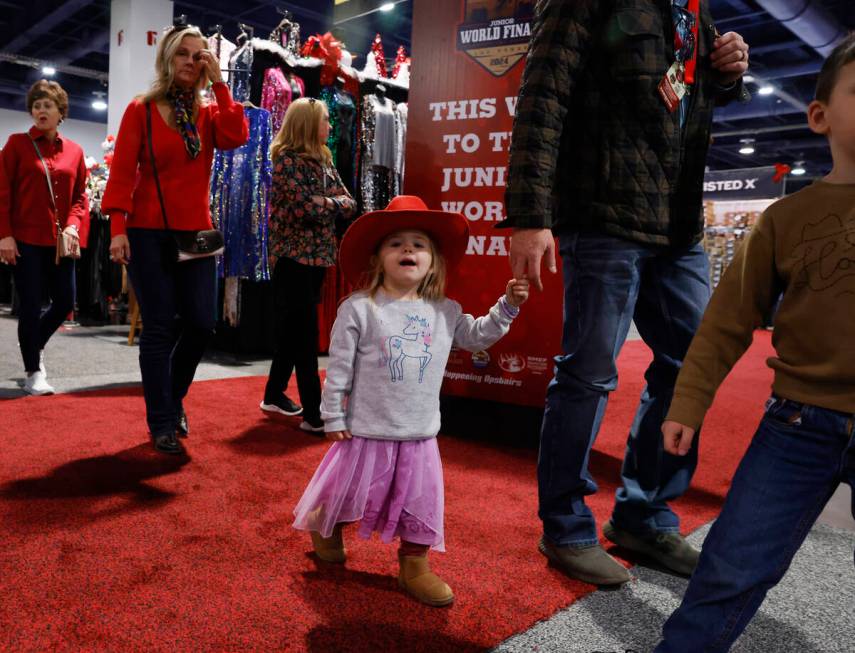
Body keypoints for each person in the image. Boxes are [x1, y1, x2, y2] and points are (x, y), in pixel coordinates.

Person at [502, 1, 750, 584]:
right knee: (588, 374)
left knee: (692, 365)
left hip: (678, 223)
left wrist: (727, 77)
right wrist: (530, 214)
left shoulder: (694, 11)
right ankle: (564, 525)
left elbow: (685, 103)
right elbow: (543, 94)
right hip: (603, 215)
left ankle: (642, 514)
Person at [655, 34, 855, 652]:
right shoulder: (783, 220)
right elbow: (726, 320)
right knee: (729, 567)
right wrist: (688, 402)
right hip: (798, 423)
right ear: (819, 115)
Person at [292, 196, 530, 606]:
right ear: (377, 259)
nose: (408, 250)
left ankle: (415, 564)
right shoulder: (358, 309)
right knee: (349, 494)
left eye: (419, 244)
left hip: (419, 432)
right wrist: (331, 415)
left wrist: (507, 306)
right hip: (365, 428)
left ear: (433, 261)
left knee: (420, 502)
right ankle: (326, 525)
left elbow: (476, 337)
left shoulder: (446, 310)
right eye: (396, 243)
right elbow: (340, 368)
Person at [102, 22, 248, 455]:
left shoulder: (207, 114)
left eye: (198, 54)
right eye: (183, 53)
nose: (190, 60)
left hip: (197, 233)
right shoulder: (141, 110)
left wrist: (221, 84)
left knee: (202, 323)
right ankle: (162, 421)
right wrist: (116, 229)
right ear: (167, 58)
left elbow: (235, 136)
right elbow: (123, 173)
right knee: (160, 327)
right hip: (147, 233)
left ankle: (173, 397)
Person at [260, 98, 356, 432]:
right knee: (304, 334)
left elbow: (349, 202)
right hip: (292, 258)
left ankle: (273, 394)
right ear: (306, 123)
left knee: (292, 330)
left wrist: (325, 201)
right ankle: (314, 414)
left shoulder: (325, 159)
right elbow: (302, 210)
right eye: (325, 120)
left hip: (318, 257)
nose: (330, 126)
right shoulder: (286, 161)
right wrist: (328, 204)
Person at [0, 79, 88, 395]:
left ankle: (33, 345)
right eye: (36, 105)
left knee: (65, 300)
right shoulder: (15, 144)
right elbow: (2, 194)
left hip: (62, 242)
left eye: (47, 105)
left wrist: (74, 225)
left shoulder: (75, 151)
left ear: (60, 111)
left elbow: (81, 197)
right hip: (25, 240)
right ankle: (32, 371)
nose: (41, 110)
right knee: (30, 304)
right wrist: (5, 236)